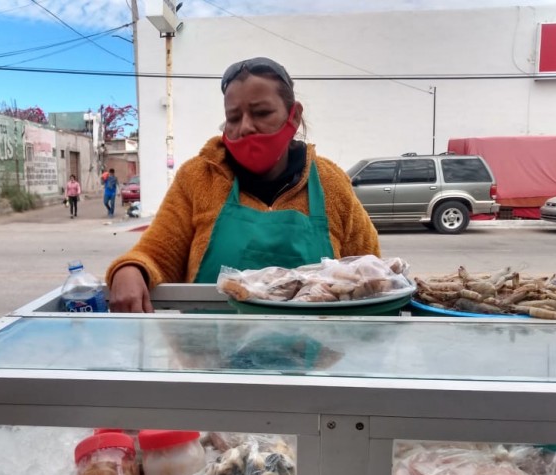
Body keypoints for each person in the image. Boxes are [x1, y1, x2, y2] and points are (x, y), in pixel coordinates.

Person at [106, 56, 381, 313]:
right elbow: (157, 254)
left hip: (312, 359)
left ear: (294, 116)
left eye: (261, 113)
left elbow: (370, 272)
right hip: (211, 358)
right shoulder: (198, 178)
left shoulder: (330, 183)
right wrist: (130, 269)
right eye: (234, 118)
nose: (246, 127)